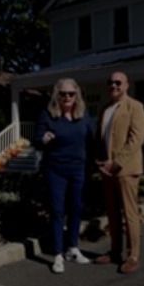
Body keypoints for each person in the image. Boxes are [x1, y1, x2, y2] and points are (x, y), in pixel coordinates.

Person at [33, 78, 94, 274]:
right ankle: (58, 255)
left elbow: (91, 141)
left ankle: (72, 249)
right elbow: (36, 140)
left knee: (76, 209)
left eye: (71, 94)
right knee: (57, 211)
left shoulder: (83, 115)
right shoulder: (48, 115)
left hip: (78, 169)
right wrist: (43, 139)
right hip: (55, 169)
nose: (67, 97)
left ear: (77, 96)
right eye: (63, 94)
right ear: (56, 96)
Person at [94, 71, 144, 274]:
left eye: (118, 82)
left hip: (126, 169)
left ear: (126, 85)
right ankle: (115, 251)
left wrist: (116, 163)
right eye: (110, 82)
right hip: (107, 169)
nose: (114, 86)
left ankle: (133, 256)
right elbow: (103, 139)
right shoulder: (105, 109)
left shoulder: (135, 107)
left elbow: (136, 140)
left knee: (129, 213)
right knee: (112, 213)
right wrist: (101, 162)